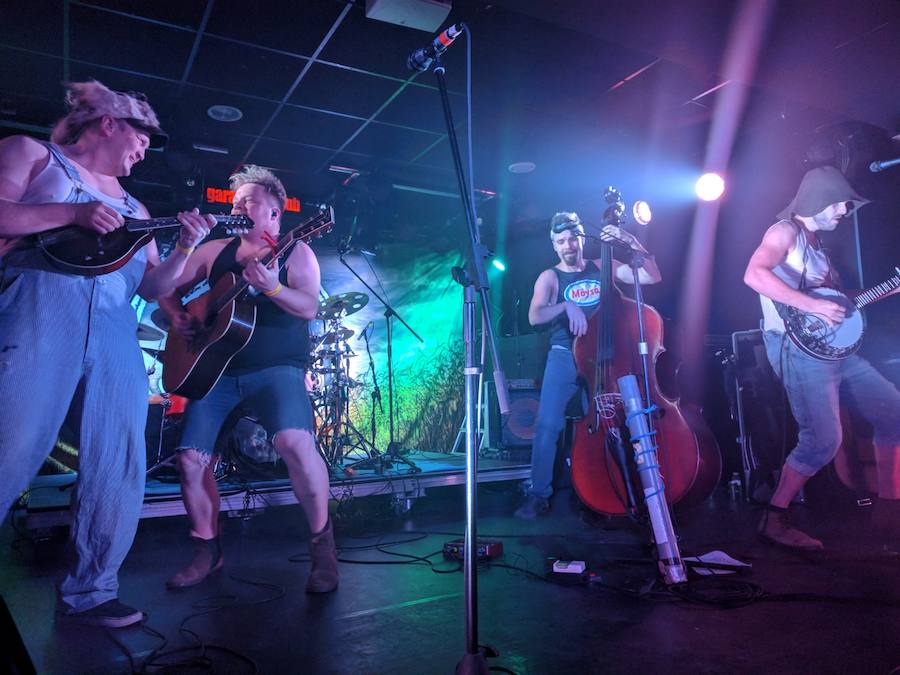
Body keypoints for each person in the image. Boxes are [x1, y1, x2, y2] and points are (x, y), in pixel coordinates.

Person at [0, 80, 214, 627]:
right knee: (12, 443)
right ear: (110, 124)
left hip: (116, 327)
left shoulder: (134, 205)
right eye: (143, 139)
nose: (145, 153)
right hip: (42, 304)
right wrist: (71, 214)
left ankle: (91, 591)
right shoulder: (31, 153)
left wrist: (186, 246)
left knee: (119, 459)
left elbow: (151, 285)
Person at [159, 165, 337, 593]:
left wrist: (274, 288)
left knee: (295, 444)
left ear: (275, 214)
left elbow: (309, 308)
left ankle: (323, 548)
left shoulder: (297, 252)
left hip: (277, 368)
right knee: (189, 460)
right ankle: (207, 550)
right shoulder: (212, 250)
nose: (239, 207)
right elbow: (165, 287)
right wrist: (179, 316)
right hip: (215, 371)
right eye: (236, 202)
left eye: (250, 202)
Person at [743, 165, 900, 550]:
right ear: (820, 200)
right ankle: (775, 518)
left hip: (837, 352)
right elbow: (753, 274)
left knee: (892, 410)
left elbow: (838, 305)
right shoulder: (785, 232)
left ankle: (889, 507)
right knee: (823, 441)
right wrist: (810, 304)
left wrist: (888, 288)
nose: (846, 210)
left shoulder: (817, 249)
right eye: (841, 203)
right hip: (799, 353)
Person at [515, 212, 662, 518]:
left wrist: (629, 240)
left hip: (603, 357)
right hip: (564, 354)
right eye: (561, 241)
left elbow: (651, 276)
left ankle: (608, 489)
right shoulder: (550, 277)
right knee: (547, 425)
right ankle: (539, 494)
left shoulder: (600, 267)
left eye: (573, 238)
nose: (568, 245)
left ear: (582, 237)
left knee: (608, 424)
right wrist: (566, 305)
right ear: (554, 246)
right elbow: (534, 316)